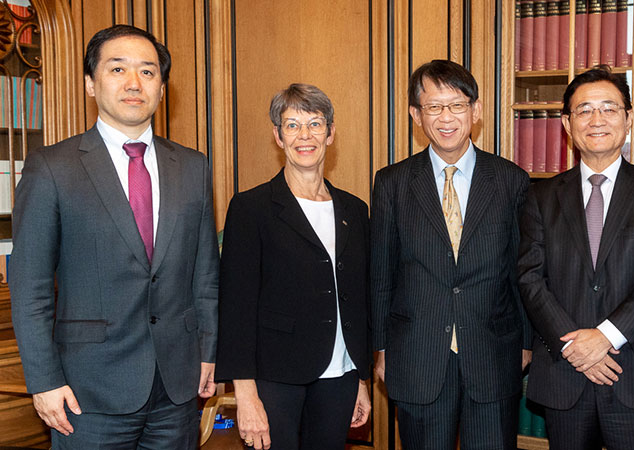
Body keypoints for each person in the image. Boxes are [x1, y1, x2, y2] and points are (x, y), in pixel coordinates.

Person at [9, 25, 219, 448]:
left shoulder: (193, 167)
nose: (133, 83)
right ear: (90, 83)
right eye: (117, 69)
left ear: (162, 88)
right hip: (86, 393)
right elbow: (29, 286)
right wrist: (43, 381)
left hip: (176, 389)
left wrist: (207, 351)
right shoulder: (52, 167)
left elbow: (205, 275)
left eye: (148, 72)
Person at [517, 66, 634, 450]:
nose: (597, 120)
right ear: (566, 123)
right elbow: (530, 277)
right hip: (565, 372)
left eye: (609, 108)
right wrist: (577, 348)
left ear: (628, 118)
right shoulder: (540, 196)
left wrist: (605, 337)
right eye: (584, 110)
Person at [370, 59, 531, 449]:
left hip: (493, 354)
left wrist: (526, 342)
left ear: (476, 111)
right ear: (416, 115)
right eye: (433, 106)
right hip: (417, 356)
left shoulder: (511, 180)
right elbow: (381, 274)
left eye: (457, 105)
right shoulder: (392, 183)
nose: (446, 117)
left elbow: (523, 271)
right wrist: (380, 347)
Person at [216, 83, 372, 450]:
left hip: (340, 376)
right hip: (274, 378)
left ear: (330, 133)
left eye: (315, 124)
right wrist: (245, 394)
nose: (305, 135)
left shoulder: (355, 210)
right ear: (278, 135)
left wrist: (361, 379)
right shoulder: (251, 208)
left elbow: (359, 298)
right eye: (292, 125)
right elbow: (236, 306)